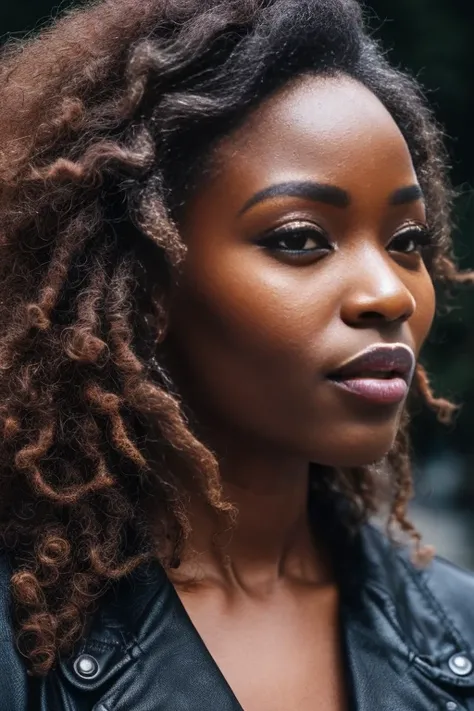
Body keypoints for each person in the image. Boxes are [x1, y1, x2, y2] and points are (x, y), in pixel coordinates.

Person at [0, 0, 473, 708]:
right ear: (144, 280)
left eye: (406, 242)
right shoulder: (19, 645)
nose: (391, 294)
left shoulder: (458, 628)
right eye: (300, 238)